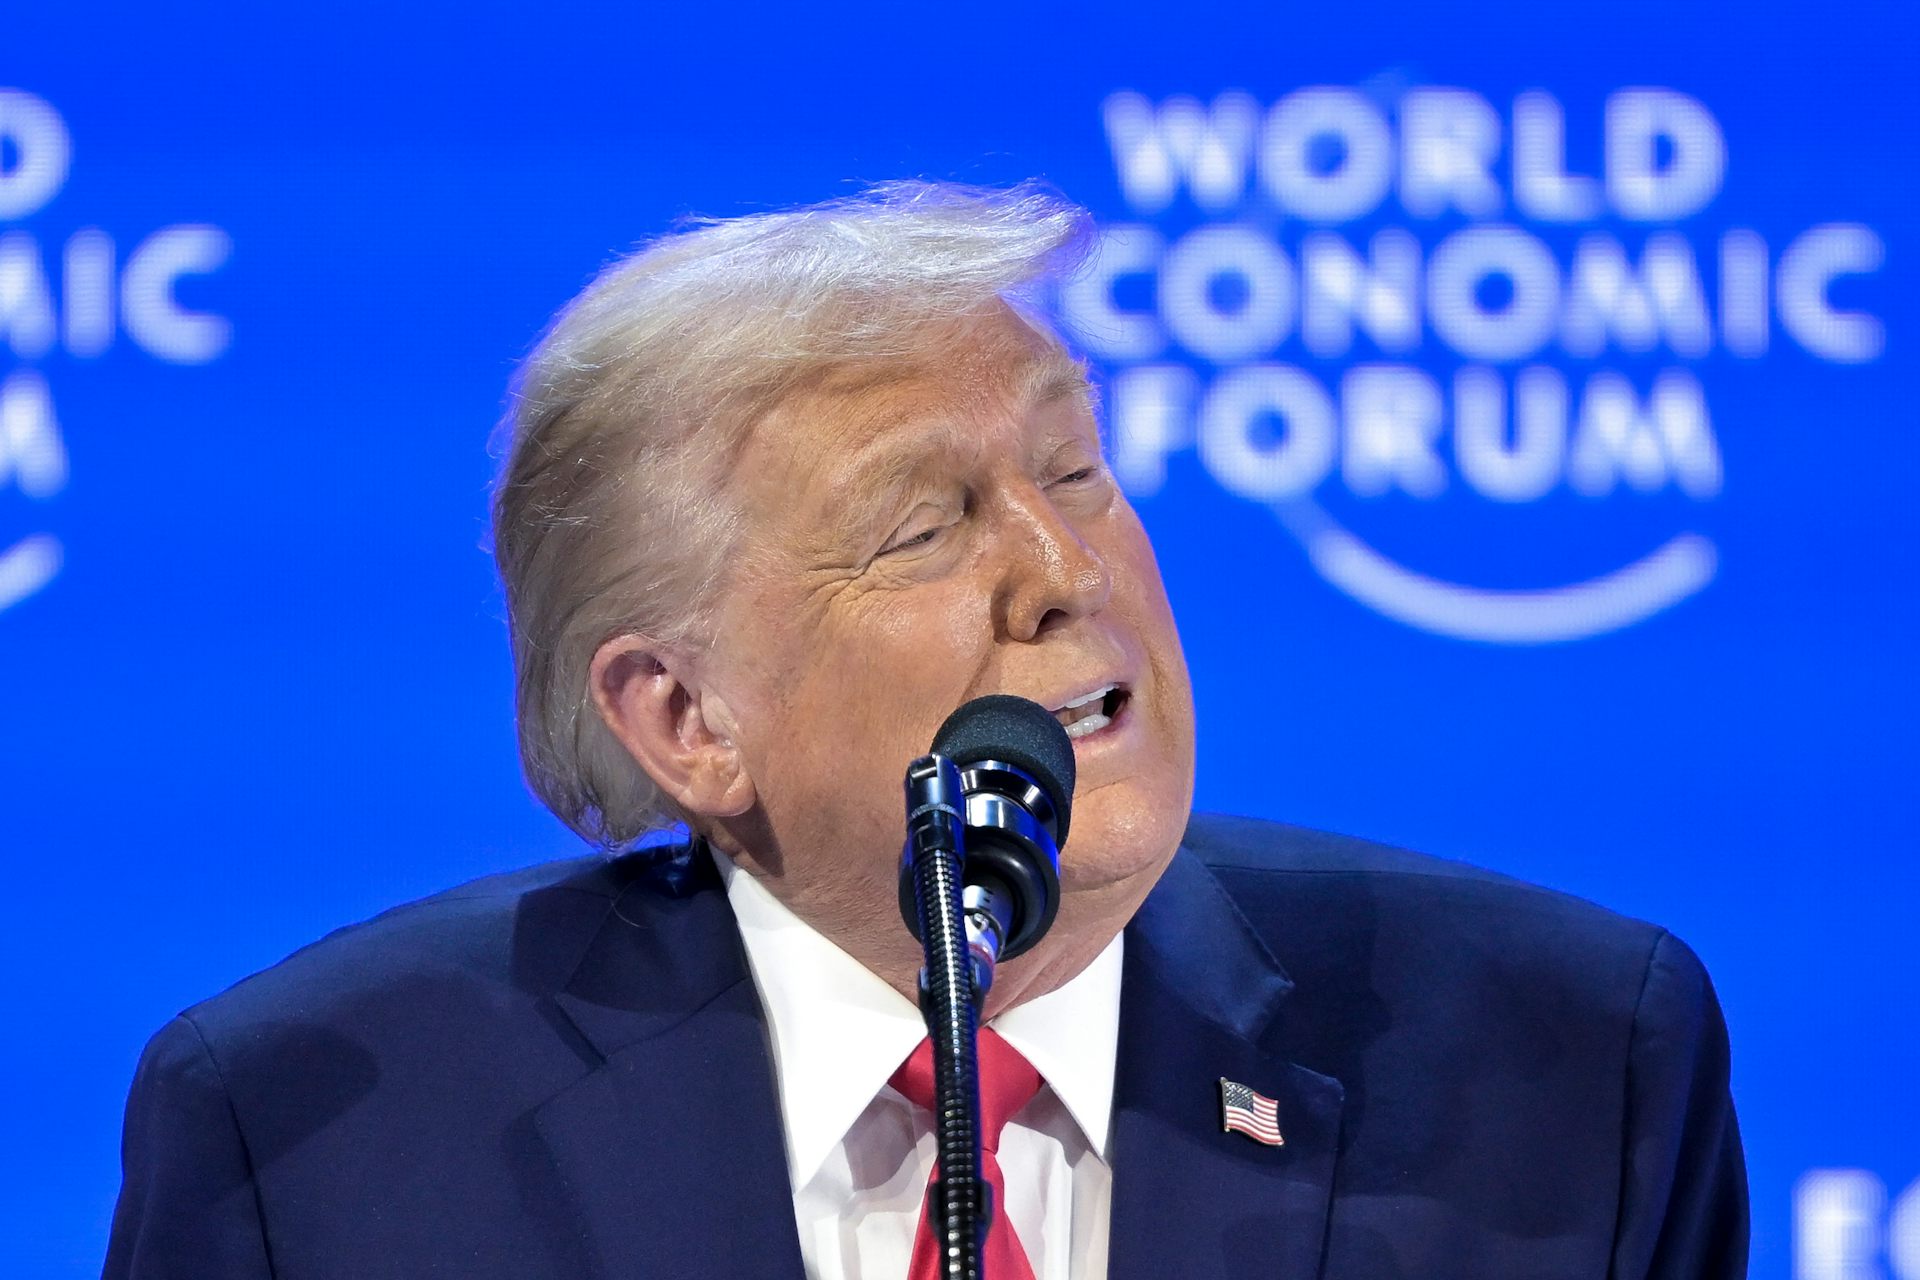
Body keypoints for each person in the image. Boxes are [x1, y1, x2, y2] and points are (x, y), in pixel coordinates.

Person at [105, 182, 1747, 1279]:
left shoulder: (1569, 1059)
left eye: (1076, 469)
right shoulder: (326, 1148)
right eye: (919, 530)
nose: (1061, 571)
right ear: (684, 719)